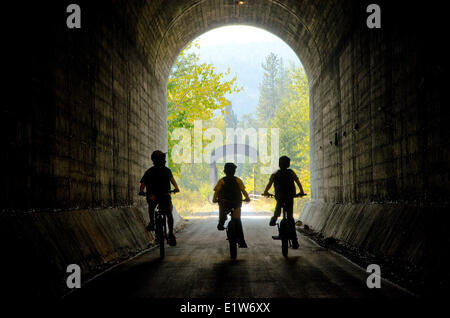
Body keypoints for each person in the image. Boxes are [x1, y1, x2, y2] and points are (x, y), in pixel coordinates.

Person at [263, 155, 306, 249]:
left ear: (279, 164)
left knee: (278, 209)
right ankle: (294, 241)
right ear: (288, 164)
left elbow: (269, 184)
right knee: (290, 218)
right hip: (290, 197)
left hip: (280, 196)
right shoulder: (291, 173)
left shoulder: (275, 173)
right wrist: (301, 192)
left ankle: (274, 218)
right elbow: (298, 182)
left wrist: (266, 192)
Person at [139, 150, 180, 246]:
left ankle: (152, 223)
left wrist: (141, 191)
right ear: (163, 160)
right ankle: (170, 234)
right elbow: (173, 181)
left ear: (153, 160)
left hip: (153, 196)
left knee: (151, 207)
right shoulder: (167, 170)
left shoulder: (149, 171)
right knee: (169, 214)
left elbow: (143, 184)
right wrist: (176, 188)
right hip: (165, 196)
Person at [212, 162, 251, 248]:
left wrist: (214, 199)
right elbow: (243, 191)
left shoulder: (221, 181)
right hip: (236, 203)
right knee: (237, 220)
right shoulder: (238, 180)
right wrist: (247, 198)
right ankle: (242, 241)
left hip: (224, 203)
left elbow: (217, 192)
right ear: (234, 171)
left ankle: (221, 223)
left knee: (222, 214)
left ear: (224, 171)